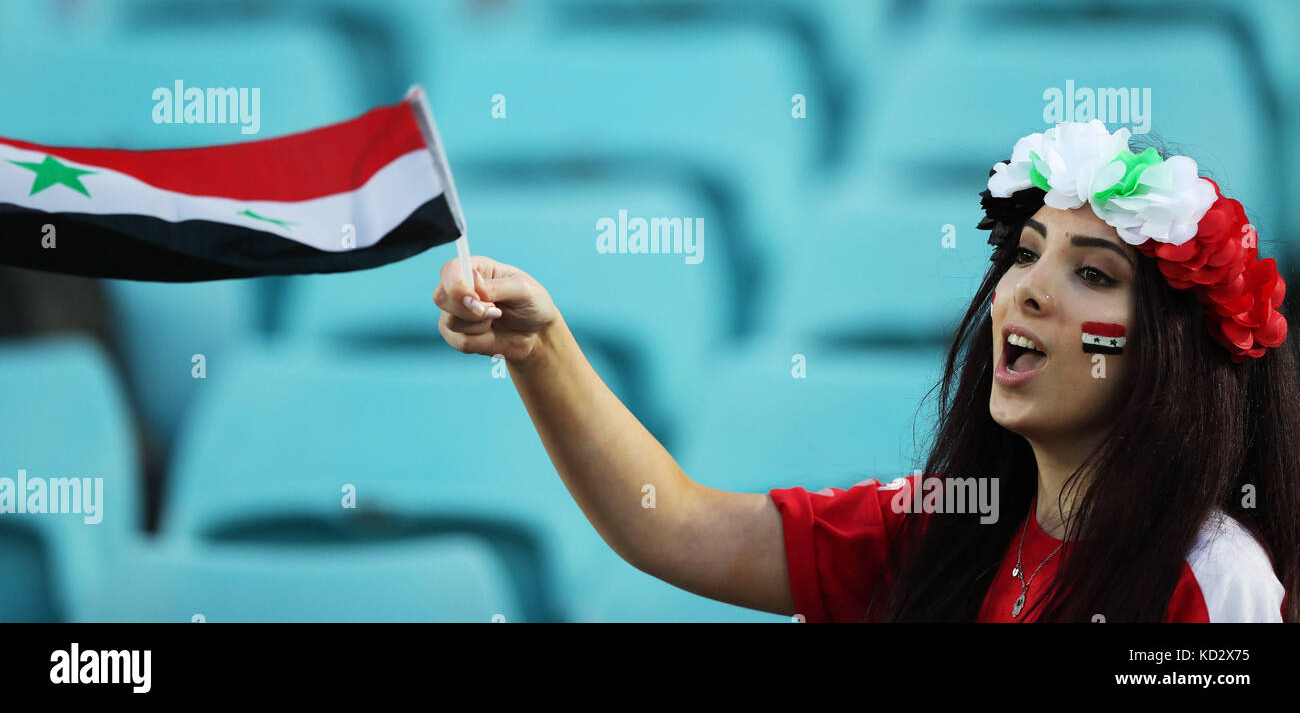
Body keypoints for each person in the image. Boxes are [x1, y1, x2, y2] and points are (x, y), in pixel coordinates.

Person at [433, 120, 1298, 621]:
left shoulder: (1213, 578)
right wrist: (538, 348)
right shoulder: (951, 525)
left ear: (1169, 357)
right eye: (1025, 255)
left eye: (1094, 274)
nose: (1026, 292)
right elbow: (677, 525)